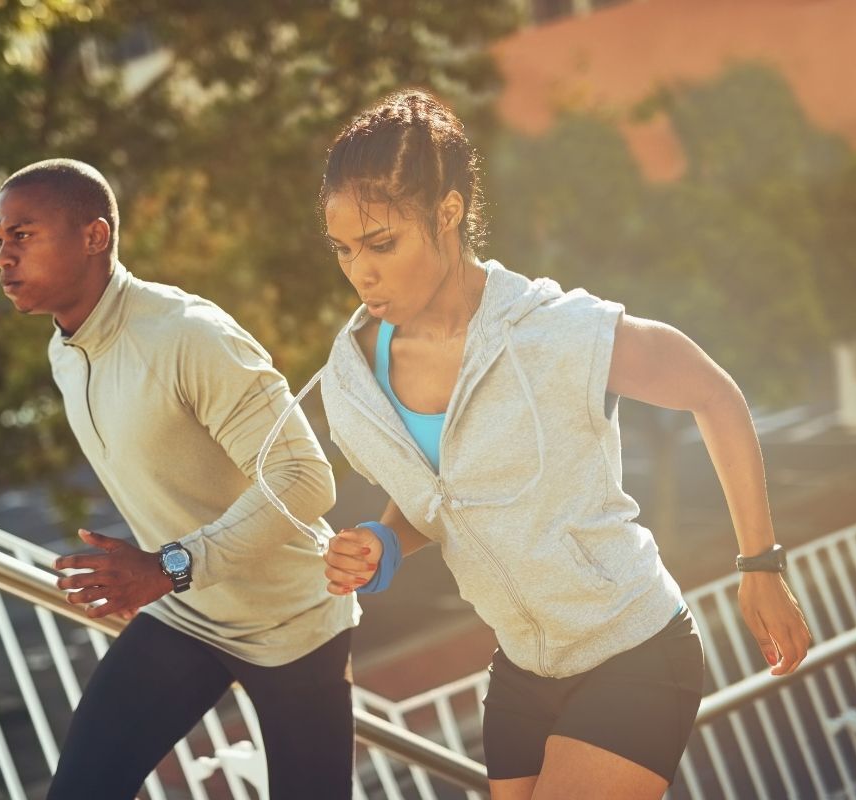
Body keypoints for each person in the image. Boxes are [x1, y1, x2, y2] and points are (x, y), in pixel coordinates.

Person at [258, 90, 811, 800]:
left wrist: (759, 564)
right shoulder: (350, 381)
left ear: (448, 214)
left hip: (633, 650)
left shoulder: (555, 332)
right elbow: (434, 495)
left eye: (381, 244)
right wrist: (383, 544)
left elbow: (714, 392)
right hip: (520, 674)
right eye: (344, 250)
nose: (360, 272)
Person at [0, 158, 359, 800]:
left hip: (292, 621)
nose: (3, 258)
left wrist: (167, 566)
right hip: (189, 614)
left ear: (94, 236)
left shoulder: (188, 335)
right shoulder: (65, 349)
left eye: (23, 235)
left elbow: (304, 479)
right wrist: (165, 574)